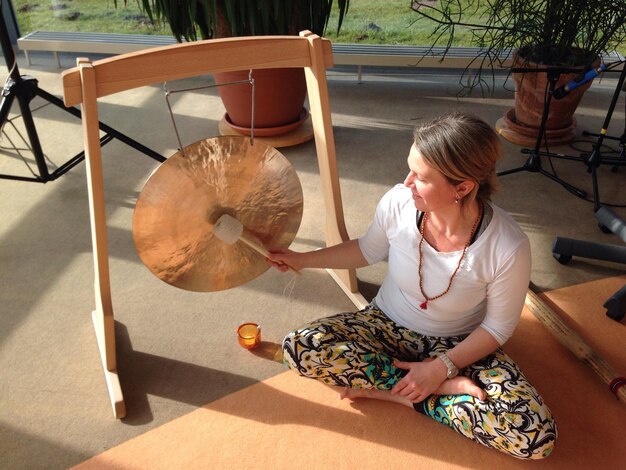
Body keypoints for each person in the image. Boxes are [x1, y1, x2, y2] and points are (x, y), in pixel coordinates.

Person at [268, 112, 557, 460]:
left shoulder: (507, 246)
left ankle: (397, 391)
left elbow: (497, 327)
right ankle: (422, 393)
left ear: (462, 187)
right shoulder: (398, 203)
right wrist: (301, 259)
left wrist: (441, 368)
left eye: (420, 177)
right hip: (384, 325)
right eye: (410, 169)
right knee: (300, 347)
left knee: (535, 437)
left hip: (458, 346)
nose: (406, 182)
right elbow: (365, 249)